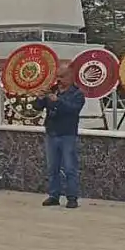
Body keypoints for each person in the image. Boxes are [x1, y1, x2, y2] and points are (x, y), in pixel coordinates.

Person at [35, 65, 86, 209]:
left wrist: (57, 101)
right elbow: (38, 107)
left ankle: (72, 197)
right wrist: (40, 98)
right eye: (57, 76)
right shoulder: (53, 90)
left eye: (62, 76)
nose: (59, 80)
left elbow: (73, 109)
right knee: (52, 167)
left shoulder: (77, 94)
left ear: (70, 77)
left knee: (70, 167)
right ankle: (54, 195)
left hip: (67, 134)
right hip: (52, 133)